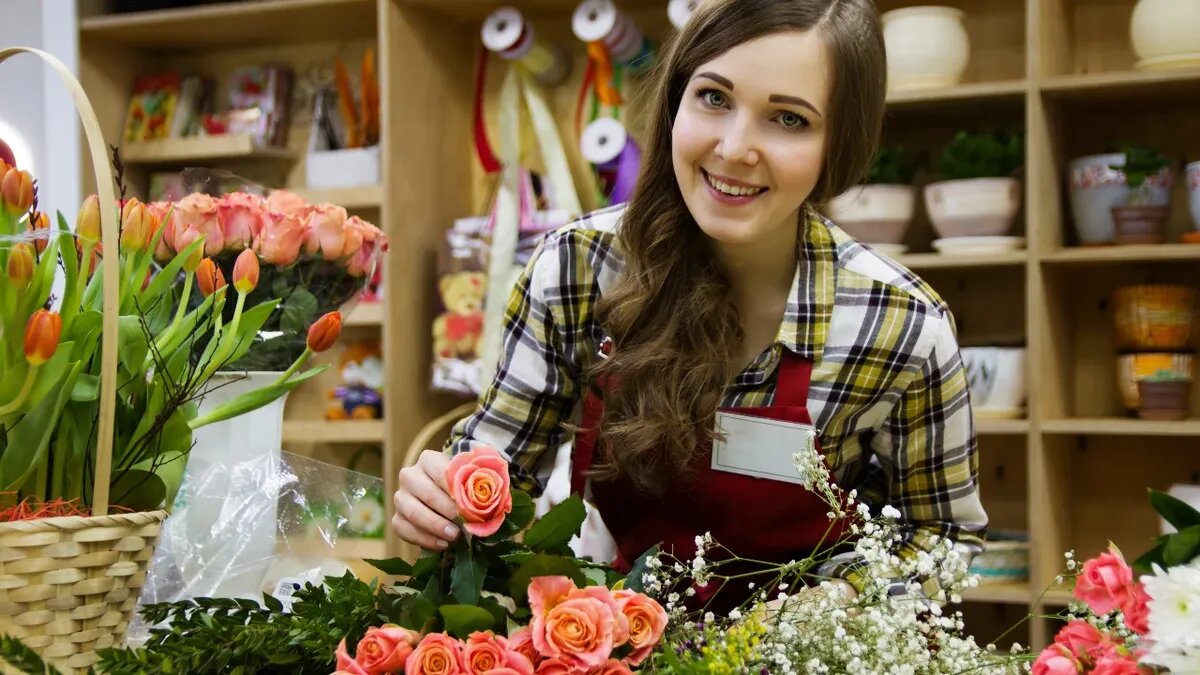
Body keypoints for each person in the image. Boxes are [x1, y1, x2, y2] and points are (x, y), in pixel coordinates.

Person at [393, 0, 988, 607]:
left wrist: (828, 609)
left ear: (840, 142)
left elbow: (941, 536)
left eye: (788, 119)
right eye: (714, 97)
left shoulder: (901, 326)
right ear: (675, 100)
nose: (734, 148)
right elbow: (498, 475)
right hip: (620, 640)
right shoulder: (578, 269)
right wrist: (444, 500)